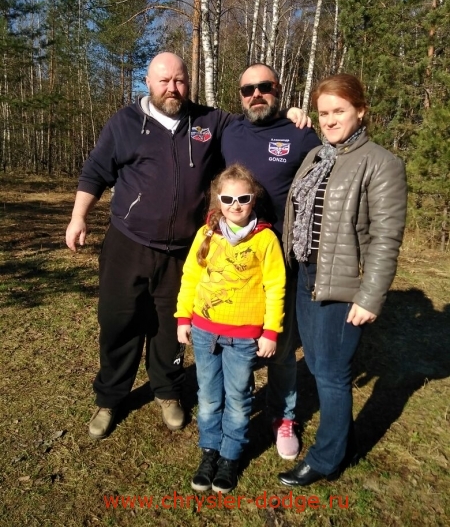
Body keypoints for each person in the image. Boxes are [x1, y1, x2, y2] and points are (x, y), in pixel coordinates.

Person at [65, 52, 309, 440]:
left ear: (188, 83)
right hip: (128, 242)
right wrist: (79, 216)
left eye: (179, 80)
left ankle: (167, 392)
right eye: (164, 81)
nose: (172, 88)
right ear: (148, 82)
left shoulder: (210, 122)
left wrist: (290, 114)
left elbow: (257, 118)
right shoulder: (125, 123)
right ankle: (110, 398)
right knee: (119, 322)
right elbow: (96, 171)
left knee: (170, 327)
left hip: (182, 250)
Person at [278, 73, 407, 487]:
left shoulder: (381, 163)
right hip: (306, 274)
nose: (330, 120)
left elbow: (386, 238)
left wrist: (370, 296)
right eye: (323, 113)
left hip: (342, 280)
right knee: (318, 364)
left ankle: (328, 459)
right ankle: (342, 443)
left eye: (339, 111)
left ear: (361, 111)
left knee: (332, 373)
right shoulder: (316, 156)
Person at [221, 63, 321, 460]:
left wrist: (301, 114)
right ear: (240, 95)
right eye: (248, 89)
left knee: (278, 344)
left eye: (264, 87)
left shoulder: (300, 134)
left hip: (282, 259)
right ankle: (237, 408)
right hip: (236, 260)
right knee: (238, 340)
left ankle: (284, 416)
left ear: (278, 90)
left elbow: (329, 177)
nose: (256, 95)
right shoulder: (229, 130)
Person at [176, 164, 286, 493]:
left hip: (244, 338)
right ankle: (209, 452)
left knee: (238, 399)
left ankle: (230, 456)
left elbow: (275, 286)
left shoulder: (265, 239)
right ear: (218, 201)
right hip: (205, 332)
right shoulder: (206, 234)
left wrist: (270, 331)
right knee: (209, 398)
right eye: (227, 199)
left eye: (243, 198)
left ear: (254, 200)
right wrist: (183, 318)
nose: (235, 205)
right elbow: (190, 278)